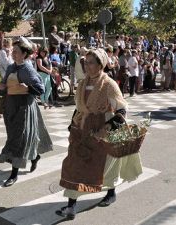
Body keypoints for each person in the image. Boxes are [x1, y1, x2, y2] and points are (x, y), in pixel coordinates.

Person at [56, 48, 142, 220]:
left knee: (104, 166)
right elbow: (79, 108)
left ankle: (111, 192)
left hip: (102, 128)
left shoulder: (109, 84)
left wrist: (105, 130)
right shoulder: (82, 84)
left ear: (100, 64)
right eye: (85, 62)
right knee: (75, 164)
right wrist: (72, 125)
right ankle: (71, 205)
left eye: (91, 63)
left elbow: (122, 110)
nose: (86, 66)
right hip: (82, 129)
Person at [0, 37, 53, 187]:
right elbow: (6, 85)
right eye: (12, 51)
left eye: (16, 52)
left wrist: (27, 88)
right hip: (10, 107)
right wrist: (0, 87)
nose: (13, 54)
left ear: (24, 54)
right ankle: (34, 157)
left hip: (24, 108)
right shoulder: (10, 67)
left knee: (18, 140)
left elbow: (41, 89)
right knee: (13, 137)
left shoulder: (28, 69)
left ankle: (13, 175)